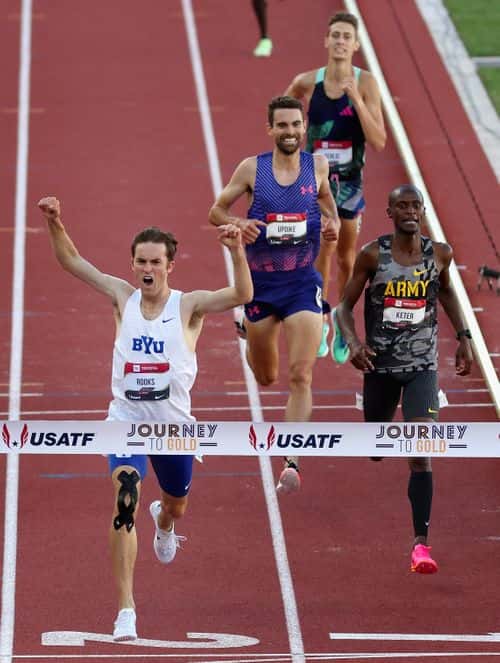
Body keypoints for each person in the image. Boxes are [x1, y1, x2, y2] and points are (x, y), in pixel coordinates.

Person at [38, 196, 253, 639]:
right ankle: (126, 611)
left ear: (170, 264)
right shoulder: (122, 296)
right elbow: (74, 263)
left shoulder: (188, 305)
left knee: (177, 505)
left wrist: (236, 251)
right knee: (124, 500)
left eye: (155, 260)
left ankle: (165, 522)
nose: (147, 268)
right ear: (133, 264)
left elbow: (241, 295)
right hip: (126, 420)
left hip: (173, 429)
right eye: (140, 261)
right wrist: (56, 222)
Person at [336, 184, 473, 573]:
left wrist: (463, 338)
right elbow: (344, 308)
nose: (410, 212)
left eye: (416, 206)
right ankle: (378, 426)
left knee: (420, 450)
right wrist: (353, 343)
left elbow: (446, 294)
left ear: (423, 210)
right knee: (377, 447)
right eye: (402, 206)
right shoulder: (372, 256)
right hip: (379, 366)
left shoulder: (439, 255)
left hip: (422, 369)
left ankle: (420, 546)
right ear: (390, 213)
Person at [208, 96, 340, 494]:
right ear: (271, 130)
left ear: (304, 128)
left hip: (301, 283)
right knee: (266, 377)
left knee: (301, 374)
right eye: (282, 125)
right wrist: (239, 222)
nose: (290, 132)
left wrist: (332, 225)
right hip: (261, 287)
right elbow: (216, 211)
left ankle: (292, 458)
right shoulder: (253, 169)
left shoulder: (317, 165)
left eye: (296, 125)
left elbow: (327, 206)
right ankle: (247, 329)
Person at [285, 11, 386, 362]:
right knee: (320, 254)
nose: (341, 41)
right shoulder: (307, 83)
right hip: (316, 183)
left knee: (346, 259)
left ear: (356, 45)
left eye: (347, 36)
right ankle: (321, 321)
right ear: (326, 41)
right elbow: (282, 113)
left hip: (350, 185)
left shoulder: (368, 83)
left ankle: (344, 321)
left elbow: (379, 141)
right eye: (335, 35)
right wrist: (293, 141)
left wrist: (356, 99)